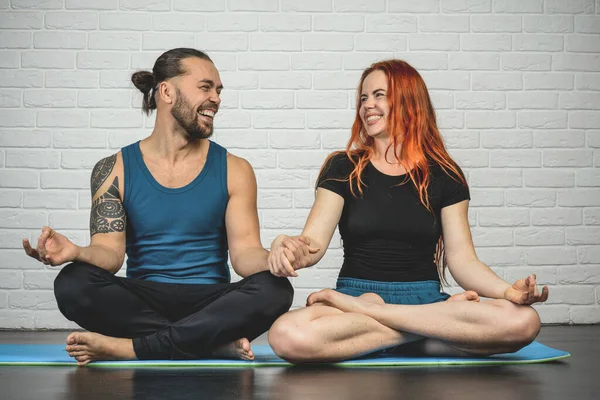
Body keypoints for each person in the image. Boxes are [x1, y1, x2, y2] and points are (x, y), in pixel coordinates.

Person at [22, 48, 293, 366]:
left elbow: (245, 255)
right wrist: (76, 252)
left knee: (275, 288)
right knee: (72, 282)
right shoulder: (114, 169)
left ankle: (132, 348)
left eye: (218, 91)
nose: (216, 99)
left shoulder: (235, 169)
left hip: (210, 302)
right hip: (142, 299)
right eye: (205, 87)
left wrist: (275, 255)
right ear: (166, 91)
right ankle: (205, 343)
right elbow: (109, 255)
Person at [266, 59, 549, 364]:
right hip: (359, 301)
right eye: (363, 98)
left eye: (378, 95)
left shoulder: (445, 175)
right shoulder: (343, 167)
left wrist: (509, 293)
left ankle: (378, 326)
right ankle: (422, 333)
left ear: (409, 102)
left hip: (420, 301)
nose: (367, 106)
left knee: (524, 321)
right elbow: (312, 245)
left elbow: (463, 261)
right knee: (286, 335)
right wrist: (291, 249)